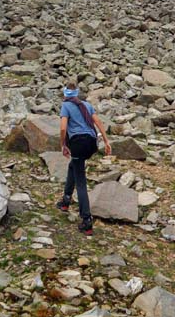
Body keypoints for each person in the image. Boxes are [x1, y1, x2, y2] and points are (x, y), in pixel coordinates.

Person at [57, 82, 111, 236]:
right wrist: (106, 142)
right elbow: (98, 122)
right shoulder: (86, 105)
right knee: (74, 165)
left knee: (80, 181)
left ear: (65, 94)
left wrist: (63, 145)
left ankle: (86, 220)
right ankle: (66, 200)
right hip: (91, 143)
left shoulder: (66, 106)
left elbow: (63, 127)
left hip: (78, 143)